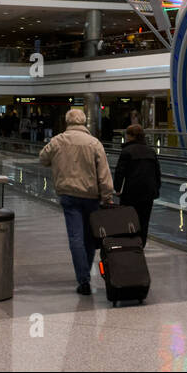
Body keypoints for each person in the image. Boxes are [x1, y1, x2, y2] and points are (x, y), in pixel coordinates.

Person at [39, 108, 114, 295]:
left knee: (76, 238)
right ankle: (85, 275)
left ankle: (83, 280)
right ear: (84, 122)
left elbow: (42, 158)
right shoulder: (94, 143)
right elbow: (104, 174)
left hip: (68, 196)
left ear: (67, 122)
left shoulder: (58, 141)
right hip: (91, 197)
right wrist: (107, 197)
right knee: (89, 239)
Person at [113, 124, 161, 246]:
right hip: (148, 193)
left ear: (131, 136)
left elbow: (120, 172)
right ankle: (141, 245)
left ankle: (129, 244)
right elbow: (157, 173)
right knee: (144, 221)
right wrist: (156, 188)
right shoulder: (151, 151)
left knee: (128, 219)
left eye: (127, 135)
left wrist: (117, 189)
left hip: (130, 192)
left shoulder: (126, 151)